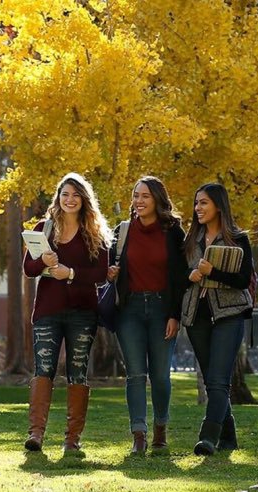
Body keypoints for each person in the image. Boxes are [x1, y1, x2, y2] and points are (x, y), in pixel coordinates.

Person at [21, 173, 112, 454]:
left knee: (77, 373)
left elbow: (101, 274)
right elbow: (28, 270)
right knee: (44, 370)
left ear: (84, 200)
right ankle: (36, 434)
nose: (70, 200)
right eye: (65, 195)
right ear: (58, 199)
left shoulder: (94, 234)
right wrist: (43, 262)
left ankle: (72, 440)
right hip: (48, 311)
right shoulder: (43, 228)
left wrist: (70, 273)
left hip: (83, 313)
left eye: (75, 195)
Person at [105, 176, 188, 454]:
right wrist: (111, 273)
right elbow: (109, 267)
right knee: (135, 375)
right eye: (135, 196)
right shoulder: (123, 231)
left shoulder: (174, 232)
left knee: (161, 375)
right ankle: (138, 435)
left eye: (145, 196)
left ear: (158, 200)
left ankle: (160, 429)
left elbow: (180, 278)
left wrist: (175, 315)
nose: (138, 201)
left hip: (163, 309)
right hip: (129, 310)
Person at [181, 183, 256, 456]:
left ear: (218, 206)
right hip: (196, 315)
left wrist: (212, 272)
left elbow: (242, 280)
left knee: (218, 380)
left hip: (229, 314)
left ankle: (208, 437)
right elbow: (175, 277)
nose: (198, 208)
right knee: (212, 379)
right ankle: (229, 437)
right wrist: (189, 275)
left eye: (204, 203)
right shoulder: (189, 240)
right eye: (196, 203)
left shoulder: (239, 239)